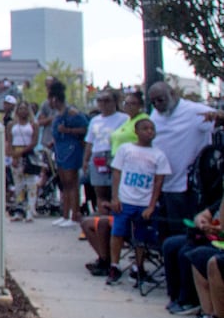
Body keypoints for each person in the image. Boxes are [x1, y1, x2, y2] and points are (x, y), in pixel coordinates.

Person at [146, 81, 224, 234]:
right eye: (153, 101)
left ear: (173, 94)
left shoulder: (195, 111)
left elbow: (218, 117)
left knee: (184, 232)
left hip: (186, 185)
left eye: (160, 100)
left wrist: (218, 116)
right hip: (162, 185)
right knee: (166, 234)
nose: (156, 104)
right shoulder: (155, 115)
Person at [105, 116, 171, 285]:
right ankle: (114, 265)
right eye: (145, 128)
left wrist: (151, 205)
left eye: (152, 129)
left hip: (144, 202)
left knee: (142, 236)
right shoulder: (125, 149)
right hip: (125, 199)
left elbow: (158, 181)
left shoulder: (159, 155)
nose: (149, 132)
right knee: (118, 232)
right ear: (136, 132)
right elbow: (117, 173)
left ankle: (138, 267)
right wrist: (115, 197)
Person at [49, 84, 89, 227]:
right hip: (60, 150)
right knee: (64, 184)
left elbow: (85, 129)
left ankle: (75, 215)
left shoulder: (72, 112)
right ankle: (65, 214)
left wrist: (67, 130)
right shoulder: (57, 114)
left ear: (55, 99)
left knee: (72, 183)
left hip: (71, 150)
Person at [82, 90, 128, 211]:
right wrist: (86, 160)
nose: (103, 103)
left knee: (116, 190)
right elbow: (89, 141)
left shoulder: (124, 118)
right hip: (97, 155)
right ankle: (103, 219)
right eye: (100, 100)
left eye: (107, 100)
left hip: (114, 155)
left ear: (115, 102)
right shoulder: (94, 120)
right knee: (100, 191)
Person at [6, 102, 38, 220]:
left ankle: (30, 211)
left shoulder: (33, 124)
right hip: (15, 151)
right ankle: (19, 210)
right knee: (18, 185)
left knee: (31, 184)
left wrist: (22, 152)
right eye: (20, 109)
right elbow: (9, 141)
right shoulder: (11, 124)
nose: (23, 111)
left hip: (28, 153)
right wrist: (13, 156)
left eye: (25, 108)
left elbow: (34, 141)